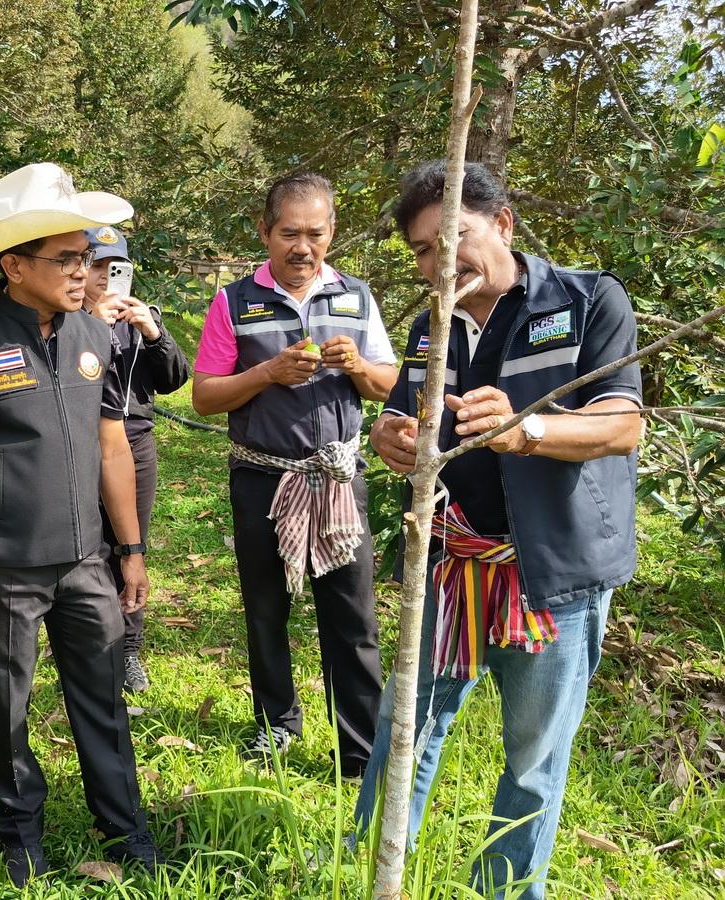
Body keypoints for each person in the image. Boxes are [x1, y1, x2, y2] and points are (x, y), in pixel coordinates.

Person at [354, 160, 643, 899]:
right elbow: (404, 414)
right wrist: (390, 437)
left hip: (553, 574)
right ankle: (365, 867)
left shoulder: (585, 301)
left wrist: (530, 430)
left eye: (452, 239)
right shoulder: (430, 329)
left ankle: (504, 891)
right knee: (404, 728)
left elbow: (622, 423)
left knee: (532, 755)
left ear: (503, 224)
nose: (437, 263)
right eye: (421, 250)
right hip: (452, 565)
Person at [0, 163, 163, 887]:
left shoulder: (95, 335)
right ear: (14, 265)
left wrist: (129, 549)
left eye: (90, 257)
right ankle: (21, 831)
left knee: (102, 699)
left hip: (86, 559)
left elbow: (113, 445)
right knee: (6, 700)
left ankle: (126, 831)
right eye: (70, 259)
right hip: (1, 565)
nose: (88, 272)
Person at [191, 171, 398, 773]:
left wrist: (358, 364)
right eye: (288, 233)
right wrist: (267, 374)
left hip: (337, 477)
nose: (301, 247)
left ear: (332, 232)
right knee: (267, 607)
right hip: (263, 476)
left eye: (314, 233)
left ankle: (359, 749)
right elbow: (205, 396)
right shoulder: (234, 302)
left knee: (352, 613)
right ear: (264, 231)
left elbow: (389, 384)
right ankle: (276, 725)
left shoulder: (356, 298)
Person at [81, 225, 190, 692]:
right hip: (82, 443)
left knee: (131, 546)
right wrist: (92, 327)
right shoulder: (67, 322)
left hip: (135, 442)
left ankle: (127, 651)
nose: (107, 277)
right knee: (89, 545)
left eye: (116, 267)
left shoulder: (142, 319)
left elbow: (174, 380)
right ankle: (83, 638)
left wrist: (154, 333)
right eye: (97, 266)